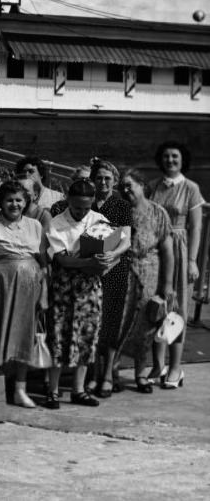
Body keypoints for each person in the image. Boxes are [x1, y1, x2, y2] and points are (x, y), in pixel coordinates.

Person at [46, 180, 127, 408]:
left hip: (90, 286)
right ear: (68, 200)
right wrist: (89, 261)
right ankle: (52, 390)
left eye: (86, 207)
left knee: (87, 336)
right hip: (64, 285)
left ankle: (78, 389)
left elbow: (120, 242)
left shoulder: (97, 220)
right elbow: (62, 258)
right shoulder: (57, 223)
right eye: (77, 207)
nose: (81, 212)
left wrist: (110, 258)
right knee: (59, 335)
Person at [0, 179, 47, 408]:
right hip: (1, 284)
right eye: (9, 200)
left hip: (30, 287)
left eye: (19, 200)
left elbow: (44, 262)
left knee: (24, 334)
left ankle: (20, 388)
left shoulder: (35, 226)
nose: (14, 204)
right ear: (1, 201)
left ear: (26, 202)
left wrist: (44, 293)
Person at [149, 140, 205, 389]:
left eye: (175, 157)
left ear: (182, 161)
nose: (170, 160)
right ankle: (157, 364)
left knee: (177, 309)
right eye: (167, 157)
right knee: (155, 307)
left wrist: (193, 261)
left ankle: (175, 368)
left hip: (180, 250)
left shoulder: (191, 188)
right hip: (156, 250)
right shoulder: (153, 187)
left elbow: (196, 227)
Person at [119, 169, 175, 393]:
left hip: (149, 271)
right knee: (119, 323)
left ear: (142, 186)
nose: (125, 190)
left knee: (146, 325)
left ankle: (141, 373)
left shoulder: (157, 212)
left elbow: (167, 251)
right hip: (122, 271)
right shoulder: (118, 211)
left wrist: (168, 285)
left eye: (129, 185)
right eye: (122, 186)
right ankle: (111, 371)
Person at [90, 160, 134, 397]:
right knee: (93, 321)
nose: (103, 182)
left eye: (108, 178)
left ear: (114, 181)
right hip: (91, 268)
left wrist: (111, 254)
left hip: (115, 268)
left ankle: (107, 374)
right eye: (99, 178)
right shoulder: (87, 203)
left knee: (111, 321)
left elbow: (125, 240)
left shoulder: (121, 206)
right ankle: (93, 374)